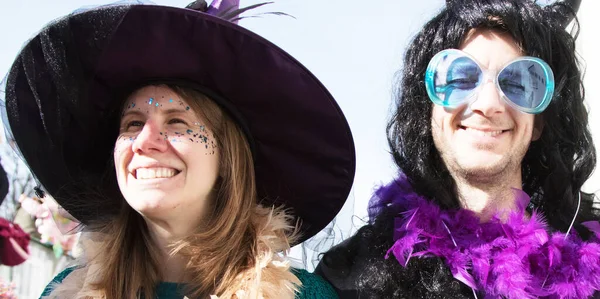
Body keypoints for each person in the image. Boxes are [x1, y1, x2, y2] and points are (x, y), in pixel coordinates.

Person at [1, 0, 355, 298]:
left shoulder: (302, 296)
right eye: (133, 124)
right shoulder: (65, 292)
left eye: (177, 123)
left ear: (227, 158)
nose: (144, 141)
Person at [315, 0, 600, 298]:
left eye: (518, 83)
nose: (488, 104)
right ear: (428, 110)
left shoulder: (591, 261)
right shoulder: (350, 276)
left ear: (539, 122)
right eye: (461, 78)